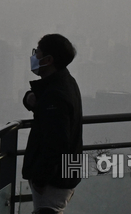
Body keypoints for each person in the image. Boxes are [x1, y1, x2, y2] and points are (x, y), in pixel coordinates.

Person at [21, 33, 83, 214]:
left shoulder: (56, 95)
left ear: (48, 60)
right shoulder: (66, 83)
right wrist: (29, 98)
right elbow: (40, 100)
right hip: (63, 176)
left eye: (37, 52)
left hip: (53, 181)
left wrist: (41, 178)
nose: (34, 56)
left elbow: (57, 143)